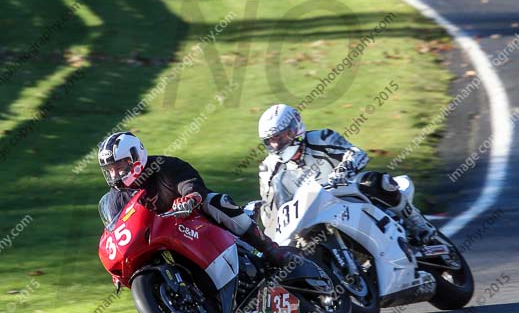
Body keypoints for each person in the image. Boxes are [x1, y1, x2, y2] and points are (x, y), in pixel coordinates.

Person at [97, 131, 292, 265]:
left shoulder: (163, 166)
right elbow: (118, 229)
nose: (115, 174)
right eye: (111, 169)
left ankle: (268, 248)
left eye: (120, 166)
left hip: (193, 223)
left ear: (135, 158)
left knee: (215, 201)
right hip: (160, 240)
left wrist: (190, 197)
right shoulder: (117, 198)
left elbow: (190, 182)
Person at [257, 104, 436, 244]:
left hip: (345, 194)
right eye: (270, 141)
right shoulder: (269, 169)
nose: (275, 145)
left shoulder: (322, 138)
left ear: (295, 129)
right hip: (311, 215)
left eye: (280, 137)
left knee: (375, 182)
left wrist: (342, 171)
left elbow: (357, 153)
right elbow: (271, 211)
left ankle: (416, 222)